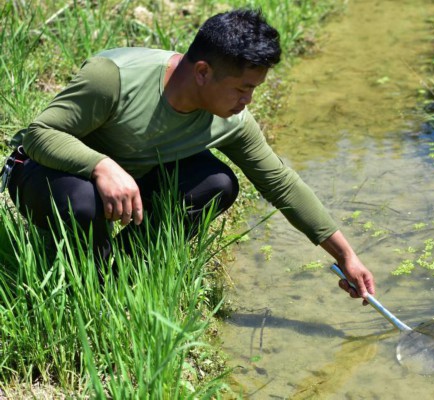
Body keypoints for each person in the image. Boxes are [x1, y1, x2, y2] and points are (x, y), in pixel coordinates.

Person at [2, 8, 375, 302]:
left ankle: (121, 275)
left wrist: (345, 256)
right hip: (42, 171)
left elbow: (279, 182)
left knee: (218, 183)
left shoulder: (232, 120)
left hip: (129, 180)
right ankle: (87, 287)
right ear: (202, 71)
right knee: (82, 201)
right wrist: (101, 165)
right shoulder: (114, 77)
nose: (248, 101)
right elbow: (40, 135)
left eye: (254, 89)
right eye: (242, 89)